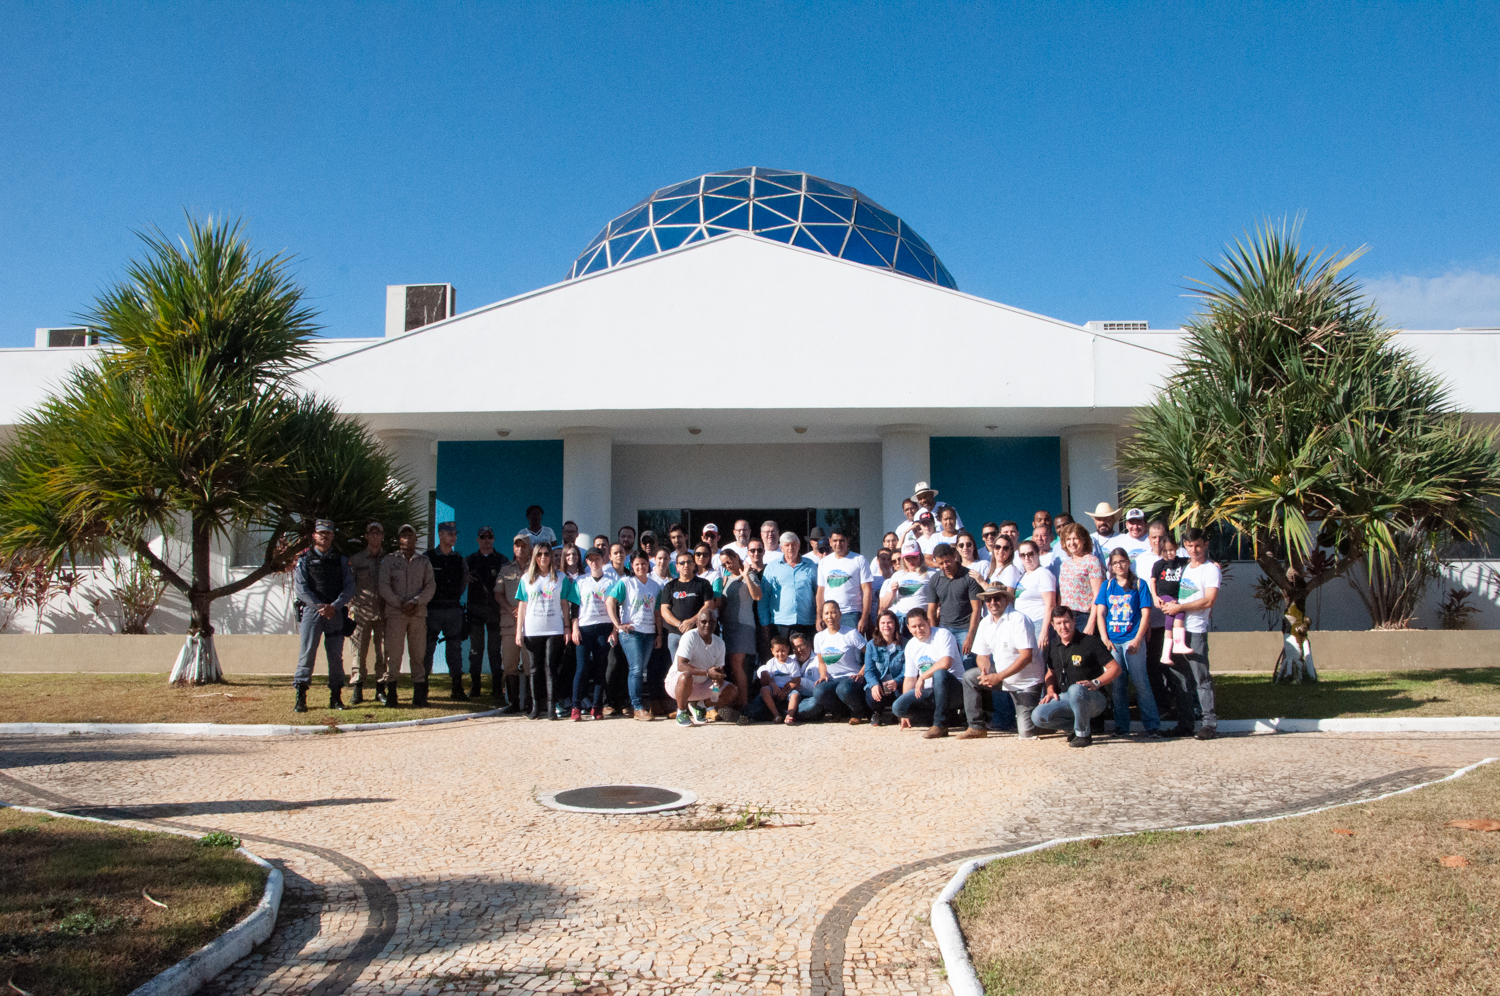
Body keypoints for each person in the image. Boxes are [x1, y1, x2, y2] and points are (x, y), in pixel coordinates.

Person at [957, 584, 1042, 740]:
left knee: (1026, 733)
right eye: (988, 599)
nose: (993, 602)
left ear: (1007, 599)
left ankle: (1042, 720)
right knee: (970, 676)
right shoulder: (985, 623)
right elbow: (981, 655)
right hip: (1002, 675)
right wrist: (985, 671)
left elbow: (1026, 657)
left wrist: (998, 677)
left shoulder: (1019, 619)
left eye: (997, 598)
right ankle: (976, 727)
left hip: (1026, 682)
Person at [1094, 549, 1161, 738]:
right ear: (1111, 566)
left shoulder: (1139, 584)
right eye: (1115, 563)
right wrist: (1104, 638)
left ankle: (1152, 726)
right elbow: (1100, 613)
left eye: (1122, 561)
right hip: (1113, 642)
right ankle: (1122, 726)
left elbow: (1146, 613)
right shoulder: (1107, 586)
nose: (1119, 566)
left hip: (1132, 640)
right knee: (1117, 684)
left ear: (1128, 562)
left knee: (1141, 682)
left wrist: (1138, 639)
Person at [1031, 606, 1120, 747]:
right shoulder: (1052, 645)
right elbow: (1051, 672)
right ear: (1053, 626)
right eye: (1059, 623)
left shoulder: (1090, 642)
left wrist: (1097, 682)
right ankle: (1078, 727)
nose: (1063, 627)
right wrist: (1049, 691)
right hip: (1067, 697)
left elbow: (1115, 668)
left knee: (1076, 689)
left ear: (1073, 620)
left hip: (1093, 698)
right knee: (1038, 716)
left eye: (1066, 622)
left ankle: (1083, 735)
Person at [292, 519, 356, 713]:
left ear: (332, 536)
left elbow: (349, 587)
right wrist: (320, 606)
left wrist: (334, 606)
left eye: (328, 533)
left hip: (334, 613)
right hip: (313, 612)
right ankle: (301, 697)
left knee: (336, 657)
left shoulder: (341, 560)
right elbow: (301, 589)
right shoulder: (305, 559)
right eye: (321, 533)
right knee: (307, 654)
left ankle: (336, 697)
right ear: (314, 535)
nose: (324, 536)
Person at [515, 542, 580, 721]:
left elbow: (565, 603)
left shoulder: (560, 577)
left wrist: (567, 627)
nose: (543, 557)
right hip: (532, 629)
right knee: (535, 668)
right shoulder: (526, 578)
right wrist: (519, 631)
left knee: (551, 666)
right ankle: (536, 706)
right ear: (535, 557)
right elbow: (522, 605)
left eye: (546, 554)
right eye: (540, 554)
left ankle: (552, 707)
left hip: (554, 628)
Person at [1166, 528, 1220, 740]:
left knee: (1201, 677)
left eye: (1197, 545)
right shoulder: (1186, 567)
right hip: (1178, 630)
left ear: (1205, 544)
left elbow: (1209, 600)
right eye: (1189, 546)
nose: (1194, 550)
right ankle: (1186, 722)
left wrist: (1180, 607)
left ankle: (1209, 723)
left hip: (1196, 630)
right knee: (1181, 679)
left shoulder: (1211, 570)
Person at [378, 523, 436, 707]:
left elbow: (430, 586)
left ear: (415, 539)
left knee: (418, 654)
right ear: (398, 539)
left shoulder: (424, 561)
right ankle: (392, 693)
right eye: (404, 535)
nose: (407, 538)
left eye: (410, 535)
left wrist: (416, 601)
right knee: (394, 654)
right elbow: (383, 586)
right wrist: (399, 602)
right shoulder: (389, 560)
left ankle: (419, 694)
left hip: (418, 614)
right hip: (396, 614)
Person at [1140, 527, 1190, 732]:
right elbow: (1148, 585)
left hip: (1176, 616)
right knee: (1154, 665)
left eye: (1162, 537)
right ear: (1150, 539)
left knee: (1177, 669)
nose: (1158, 541)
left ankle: (1184, 706)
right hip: (1154, 620)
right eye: (1154, 537)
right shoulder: (1145, 560)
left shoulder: (1181, 559)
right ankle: (1162, 705)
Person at [606, 550, 663, 722]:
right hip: (631, 633)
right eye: (637, 564)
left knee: (640, 669)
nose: (640, 567)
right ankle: (637, 706)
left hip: (648, 632)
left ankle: (634, 705)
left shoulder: (655, 586)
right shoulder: (626, 582)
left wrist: (659, 633)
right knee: (636, 668)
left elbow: (657, 612)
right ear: (632, 566)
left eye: (643, 564)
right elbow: (610, 601)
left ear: (648, 565)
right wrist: (617, 625)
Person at [890, 608, 963, 738]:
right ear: (908, 628)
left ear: (928, 622)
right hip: (930, 692)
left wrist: (923, 676)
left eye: (921, 625)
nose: (918, 630)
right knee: (898, 708)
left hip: (954, 689)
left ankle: (940, 725)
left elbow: (946, 663)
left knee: (939, 674)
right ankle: (948, 717)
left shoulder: (942, 634)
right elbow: (910, 678)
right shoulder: (911, 645)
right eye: (914, 627)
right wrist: (905, 714)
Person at [665, 607, 737, 727]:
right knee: (686, 676)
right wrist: (708, 673)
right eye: (704, 622)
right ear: (697, 623)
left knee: (731, 691)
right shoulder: (689, 637)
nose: (707, 625)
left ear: (716, 624)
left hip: (701, 685)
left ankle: (701, 705)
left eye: (711, 622)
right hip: (677, 684)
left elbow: (719, 670)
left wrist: (718, 679)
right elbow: (681, 666)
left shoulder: (720, 643)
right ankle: (681, 712)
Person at [423, 521, 471, 701]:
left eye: (455, 533)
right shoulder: (428, 557)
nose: (453, 537)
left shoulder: (459, 559)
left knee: (454, 649)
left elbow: (463, 583)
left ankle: (456, 687)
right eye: (449, 533)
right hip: (433, 609)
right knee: (427, 649)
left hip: (452, 609)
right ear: (440, 535)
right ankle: (423, 687)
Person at [570, 546, 615, 721]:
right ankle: (576, 705)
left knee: (600, 668)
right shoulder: (581, 581)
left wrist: (614, 629)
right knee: (581, 668)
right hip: (585, 628)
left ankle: (597, 706)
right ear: (587, 562)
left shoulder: (611, 582)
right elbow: (574, 607)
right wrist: (574, 628)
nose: (594, 562)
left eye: (597, 558)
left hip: (603, 627)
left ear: (603, 560)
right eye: (590, 559)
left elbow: (615, 607)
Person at [465, 526, 509, 702]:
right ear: (478, 540)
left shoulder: (501, 560)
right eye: (483, 537)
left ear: (494, 539)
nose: (486, 540)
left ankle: (497, 687)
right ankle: (475, 687)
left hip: (494, 610)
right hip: (475, 609)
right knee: (476, 649)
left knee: (494, 650)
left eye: (490, 537)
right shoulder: (470, 560)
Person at [716, 548, 760, 721]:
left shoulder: (750, 574)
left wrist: (746, 575)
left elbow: (757, 596)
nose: (727, 565)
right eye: (724, 564)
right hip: (727, 627)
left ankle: (744, 703)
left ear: (736, 557)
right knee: (728, 666)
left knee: (737, 664)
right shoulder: (726, 578)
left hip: (744, 626)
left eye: (729, 561)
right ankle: (732, 701)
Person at [346, 521, 386, 705]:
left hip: (384, 613)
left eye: (378, 533)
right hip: (361, 612)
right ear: (367, 536)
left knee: (383, 653)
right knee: (359, 653)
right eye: (372, 533)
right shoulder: (357, 560)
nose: (375, 536)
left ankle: (380, 689)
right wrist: (350, 608)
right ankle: (358, 688)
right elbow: (349, 586)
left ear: (382, 536)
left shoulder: (389, 559)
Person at [811, 599, 869, 723]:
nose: (830, 617)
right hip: (833, 679)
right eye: (826, 613)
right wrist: (822, 675)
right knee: (819, 691)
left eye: (833, 613)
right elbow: (821, 662)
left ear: (840, 614)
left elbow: (870, 654)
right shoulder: (819, 637)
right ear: (822, 616)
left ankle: (857, 712)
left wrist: (861, 673)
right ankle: (840, 712)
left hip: (851, 678)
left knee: (843, 689)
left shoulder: (851, 633)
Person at [660, 549, 722, 661]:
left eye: (689, 562)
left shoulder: (703, 584)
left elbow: (709, 605)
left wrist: (692, 621)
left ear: (694, 565)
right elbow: (664, 611)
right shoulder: (670, 586)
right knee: (678, 668)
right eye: (682, 563)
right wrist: (680, 625)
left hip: (698, 632)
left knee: (698, 666)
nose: (686, 565)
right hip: (675, 633)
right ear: (677, 567)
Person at [759, 532, 818, 643]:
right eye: (787, 545)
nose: (791, 548)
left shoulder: (810, 565)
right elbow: (764, 598)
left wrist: (819, 617)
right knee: (783, 658)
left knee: (806, 658)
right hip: (781, 623)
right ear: (781, 548)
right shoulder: (772, 567)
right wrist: (765, 624)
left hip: (807, 621)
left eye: (794, 544)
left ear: (799, 546)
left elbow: (818, 593)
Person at [930, 543, 983, 666]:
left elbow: (977, 609)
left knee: (968, 664)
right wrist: (934, 635)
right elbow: (931, 611)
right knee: (945, 667)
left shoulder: (969, 576)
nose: (945, 566)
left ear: (954, 556)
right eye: (940, 564)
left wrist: (970, 636)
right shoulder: (935, 580)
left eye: (947, 561)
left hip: (965, 629)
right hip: (944, 629)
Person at [816, 528, 873, 633]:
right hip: (830, 615)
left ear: (848, 541)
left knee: (853, 648)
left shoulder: (859, 560)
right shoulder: (824, 562)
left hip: (852, 614)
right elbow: (820, 592)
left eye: (842, 540)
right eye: (835, 540)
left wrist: (864, 618)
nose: (838, 544)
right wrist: (819, 616)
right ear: (830, 542)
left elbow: (867, 590)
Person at [1013, 540, 1059, 669]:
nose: (1027, 558)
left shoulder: (1043, 574)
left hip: (1038, 624)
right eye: (1023, 555)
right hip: (1023, 626)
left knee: (1038, 665)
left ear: (1038, 553)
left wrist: (1044, 632)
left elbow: (1050, 604)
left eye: (1030, 554)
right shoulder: (1023, 576)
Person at [861, 610, 906, 727]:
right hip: (880, 684)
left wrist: (897, 681)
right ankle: (877, 712)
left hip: (898, 685)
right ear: (878, 626)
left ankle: (898, 713)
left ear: (895, 624)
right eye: (883, 623)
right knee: (872, 696)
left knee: (903, 695)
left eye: (889, 622)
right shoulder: (871, 645)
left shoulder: (905, 644)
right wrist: (874, 684)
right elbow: (869, 670)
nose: (886, 626)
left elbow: (907, 669)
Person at [1057, 522, 1103, 634]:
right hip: (1067, 617)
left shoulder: (1092, 561)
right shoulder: (1065, 565)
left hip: (1084, 616)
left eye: (1075, 538)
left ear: (1083, 540)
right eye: (1068, 539)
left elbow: (1098, 594)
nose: (1071, 543)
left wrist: (1091, 623)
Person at [879, 536, 934, 630]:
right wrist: (892, 592)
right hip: (902, 619)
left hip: (922, 618)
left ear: (920, 556)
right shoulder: (897, 575)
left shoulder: (931, 573)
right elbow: (884, 605)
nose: (911, 561)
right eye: (907, 558)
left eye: (914, 557)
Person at [748, 635, 804, 724]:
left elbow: (796, 680)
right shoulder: (771, 663)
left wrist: (785, 691)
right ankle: (776, 715)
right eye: (777, 651)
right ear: (772, 651)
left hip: (788, 689)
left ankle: (789, 716)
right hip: (775, 689)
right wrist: (773, 685)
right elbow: (768, 679)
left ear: (788, 649)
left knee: (795, 695)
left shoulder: (792, 663)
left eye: (783, 651)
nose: (780, 654)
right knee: (764, 690)